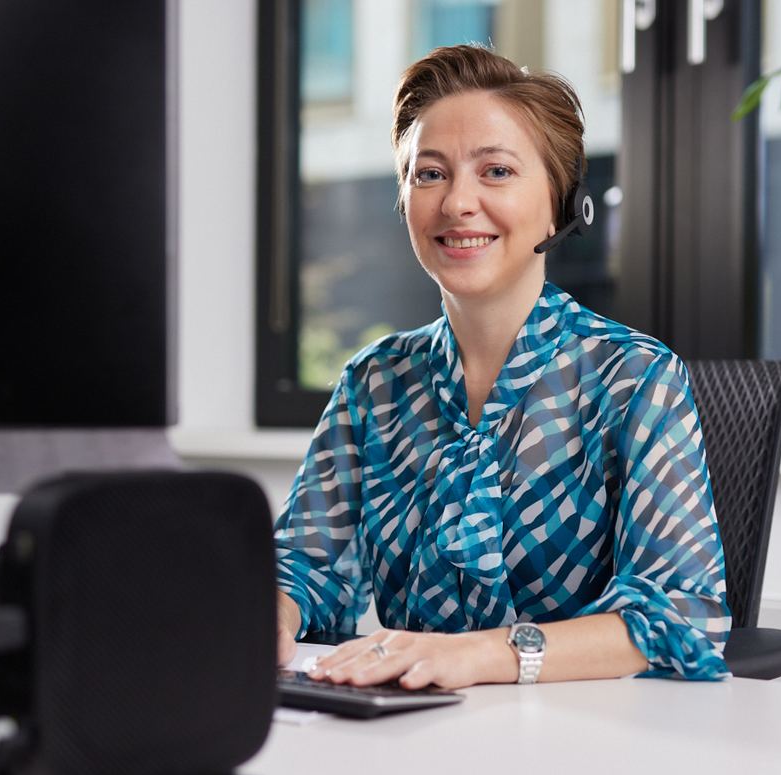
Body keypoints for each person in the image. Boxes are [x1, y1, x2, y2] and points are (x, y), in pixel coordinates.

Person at [273, 44, 729, 690]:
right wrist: (272, 610)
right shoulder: (374, 383)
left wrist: (484, 655)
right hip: (415, 735)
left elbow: (681, 616)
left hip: (591, 748)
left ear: (560, 203)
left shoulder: (634, 379)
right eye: (429, 174)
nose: (458, 202)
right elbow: (303, 564)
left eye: (496, 172)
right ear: (404, 204)